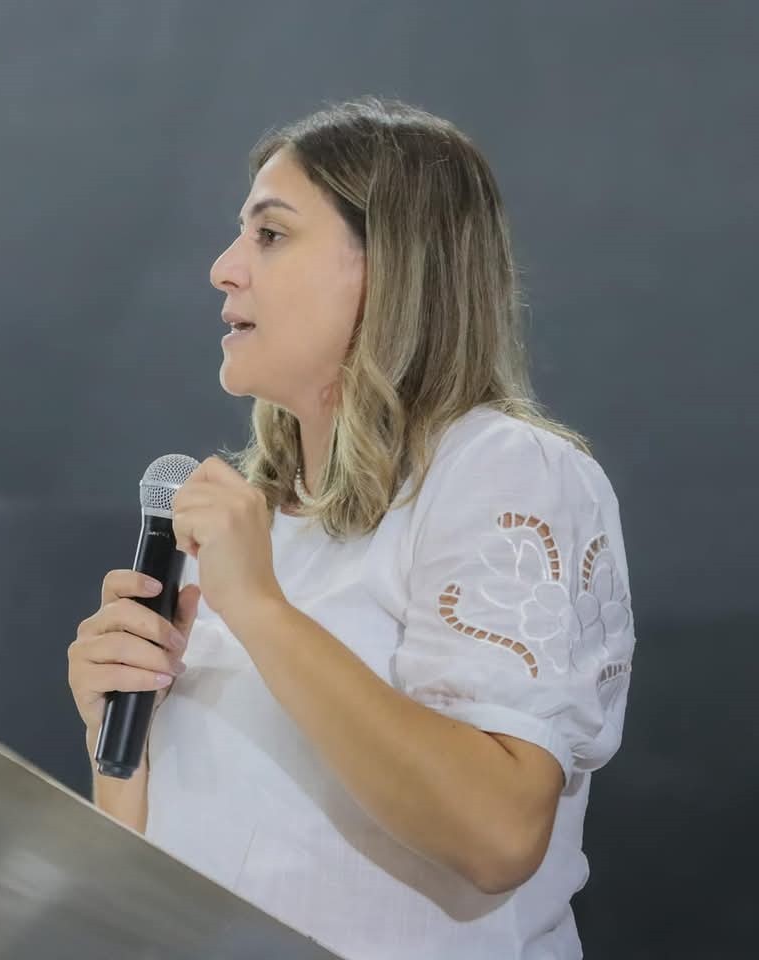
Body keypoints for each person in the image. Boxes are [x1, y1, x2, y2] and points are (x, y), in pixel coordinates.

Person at [67, 96, 635, 959]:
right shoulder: (248, 524)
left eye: (270, 234)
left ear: (391, 269)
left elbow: (496, 835)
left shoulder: (502, 469)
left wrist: (261, 610)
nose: (223, 269)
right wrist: (119, 744)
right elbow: (169, 879)